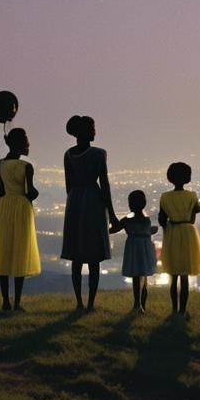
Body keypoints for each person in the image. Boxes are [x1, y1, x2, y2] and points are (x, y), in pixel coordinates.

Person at [61, 115, 118, 312]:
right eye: (92, 128)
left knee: (76, 256)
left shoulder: (68, 155)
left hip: (74, 202)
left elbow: (68, 185)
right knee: (94, 257)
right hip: (94, 202)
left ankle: (79, 302)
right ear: (83, 131)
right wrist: (112, 215)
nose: (94, 132)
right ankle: (91, 303)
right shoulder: (99, 154)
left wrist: (74, 201)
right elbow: (105, 185)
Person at [0, 127, 41, 311]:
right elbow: (30, 192)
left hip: (5, 208)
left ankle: (5, 301)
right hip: (22, 208)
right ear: (20, 144)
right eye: (26, 142)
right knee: (20, 252)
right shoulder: (26, 167)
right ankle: (17, 302)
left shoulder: (0, 164)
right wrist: (36, 193)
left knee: (4, 251)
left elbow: (0, 191)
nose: (28, 145)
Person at [158, 162, 200, 316]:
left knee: (173, 275)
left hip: (172, 232)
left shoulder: (165, 197)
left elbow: (162, 219)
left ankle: (174, 309)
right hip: (188, 234)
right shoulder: (192, 196)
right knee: (185, 275)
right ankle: (183, 310)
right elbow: (192, 219)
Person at [110, 189, 158, 313]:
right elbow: (151, 230)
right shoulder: (147, 220)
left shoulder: (127, 221)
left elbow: (113, 229)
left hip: (133, 250)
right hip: (145, 250)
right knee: (144, 278)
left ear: (130, 204)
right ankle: (142, 305)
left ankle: (137, 304)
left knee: (136, 278)